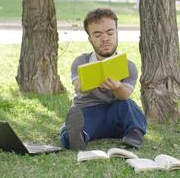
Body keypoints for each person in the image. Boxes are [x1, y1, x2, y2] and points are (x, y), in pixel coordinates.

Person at [59, 8, 147, 150]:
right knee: (80, 119)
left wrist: (117, 87)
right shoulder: (81, 61)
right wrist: (93, 80)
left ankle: (134, 134)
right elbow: (78, 86)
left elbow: (124, 94)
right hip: (89, 111)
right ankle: (75, 137)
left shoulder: (128, 66)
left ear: (116, 33)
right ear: (90, 39)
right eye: (97, 35)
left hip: (115, 114)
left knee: (128, 105)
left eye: (110, 33)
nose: (105, 39)